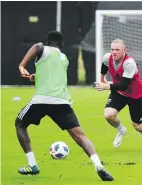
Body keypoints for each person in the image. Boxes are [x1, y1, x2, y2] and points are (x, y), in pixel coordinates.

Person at [16, 31, 113, 181]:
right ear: (62, 44)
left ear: (48, 42)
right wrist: (35, 77)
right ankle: (98, 165)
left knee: (20, 124)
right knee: (80, 136)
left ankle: (32, 165)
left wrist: (22, 66)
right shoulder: (64, 58)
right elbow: (50, 77)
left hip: (42, 100)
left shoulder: (42, 48)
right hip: (62, 102)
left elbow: (37, 46)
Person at [94, 39, 142, 151]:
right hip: (118, 92)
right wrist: (102, 79)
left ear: (124, 50)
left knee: (137, 126)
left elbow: (123, 84)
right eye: (112, 49)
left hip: (135, 95)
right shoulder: (107, 57)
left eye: (117, 50)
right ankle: (121, 130)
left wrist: (106, 86)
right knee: (108, 115)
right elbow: (104, 67)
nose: (114, 52)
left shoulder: (129, 63)